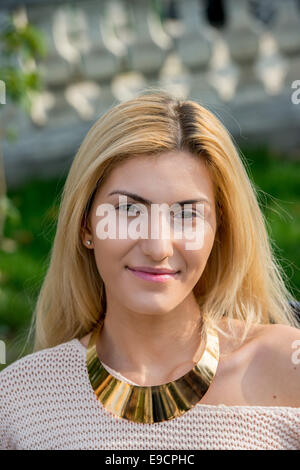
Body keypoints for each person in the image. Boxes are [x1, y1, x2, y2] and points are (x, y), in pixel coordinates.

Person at [1, 91, 300, 450]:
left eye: (187, 213)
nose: (157, 247)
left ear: (219, 229)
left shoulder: (288, 369)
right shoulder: (19, 404)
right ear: (85, 226)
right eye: (128, 210)